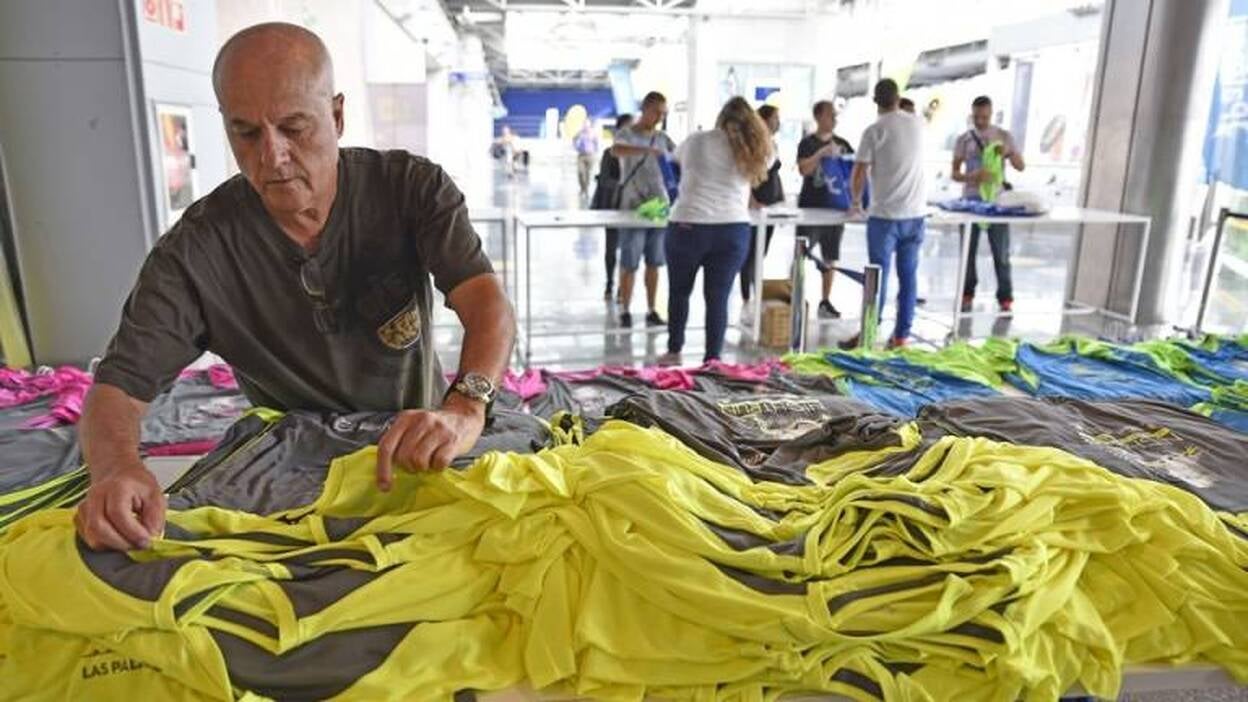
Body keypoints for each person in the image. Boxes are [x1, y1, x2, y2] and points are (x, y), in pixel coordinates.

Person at [74, 23, 515, 552]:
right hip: (292, 474)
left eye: (294, 127)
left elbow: (485, 301)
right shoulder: (196, 252)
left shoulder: (410, 190)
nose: (273, 156)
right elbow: (119, 386)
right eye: (247, 133)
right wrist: (116, 469)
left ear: (337, 116)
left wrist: (465, 406)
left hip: (418, 447)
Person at [660, 97, 772, 365]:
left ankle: (674, 351)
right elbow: (768, 163)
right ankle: (713, 359)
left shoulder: (698, 140)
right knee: (718, 297)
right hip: (732, 229)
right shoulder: (758, 147)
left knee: (679, 292)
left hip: (689, 225)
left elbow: (674, 161)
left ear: (721, 117)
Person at [849, 78, 926, 348]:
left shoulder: (874, 130)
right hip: (916, 216)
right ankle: (901, 336)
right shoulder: (917, 123)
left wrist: (856, 203)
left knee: (877, 281)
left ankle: (868, 334)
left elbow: (859, 172)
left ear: (875, 101)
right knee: (908, 278)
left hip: (884, 217)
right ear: (898, 97)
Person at [952, 95, 1025, 313]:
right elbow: (955, 174)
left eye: (984, 117)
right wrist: (972, 177)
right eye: (976, 117)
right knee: (968, 252)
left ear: (991, 114)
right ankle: (967, 292)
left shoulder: (1004, 137)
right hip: (971, 202)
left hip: (997, 203)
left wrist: (1008, 153)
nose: (980, 121)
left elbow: (1021, 166)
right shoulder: (963, 140)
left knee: (1001, 252)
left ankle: (1005, 297)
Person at [611, 91, 676, 328]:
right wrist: (646, 151)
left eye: (663, 113)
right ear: (646, 109)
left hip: (659, 207)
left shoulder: (663, 138)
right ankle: (625, 310)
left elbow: (678, 160)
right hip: (632, 207)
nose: (660, 117)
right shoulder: (627, 133)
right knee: (629, 261)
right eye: (657, 112)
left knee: (655, 261)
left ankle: (651, 310)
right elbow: (616, 150)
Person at [796, 100, 854, 319]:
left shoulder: (844, 144)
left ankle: (825, 300)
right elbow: (804, 169)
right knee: (801, 254)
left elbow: (852, 174)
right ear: (819, 116)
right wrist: (822, 154)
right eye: (830, 114)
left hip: (835, 210)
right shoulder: (807, 143)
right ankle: (797, 297)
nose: (834, 118)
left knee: (831, 256)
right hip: (811, 207)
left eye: (835, 115)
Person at [740, 104, 783, 307]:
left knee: (761, 251)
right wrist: (751, 200)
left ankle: (755, 292)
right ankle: (748, 295)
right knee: (752, 252)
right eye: (775, 118)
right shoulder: (753, 144)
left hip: (771, 203)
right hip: (757, 203)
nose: (778, 122)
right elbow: (748, 173)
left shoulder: (773, 143)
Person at [590, 114, 633, 301]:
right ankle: (609, 283)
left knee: (628, 250)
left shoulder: (638, 153)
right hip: (613, 206)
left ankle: (622, 288)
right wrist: (623, 185)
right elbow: (605, 179)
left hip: (632, 208)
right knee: (611, 249)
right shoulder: (610, 153)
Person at [573, 121, 599, 199]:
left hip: (590, 155)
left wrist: (595, 151)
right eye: (584, 125)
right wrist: (576, 147)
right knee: (580, 172)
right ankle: (582, 188)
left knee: (588, 173)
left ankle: (586, 189)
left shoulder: (593, 133)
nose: (586, 127)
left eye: (587, 125)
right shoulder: (580, 133)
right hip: (581, 155)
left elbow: (596, 142)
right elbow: (574, 139)